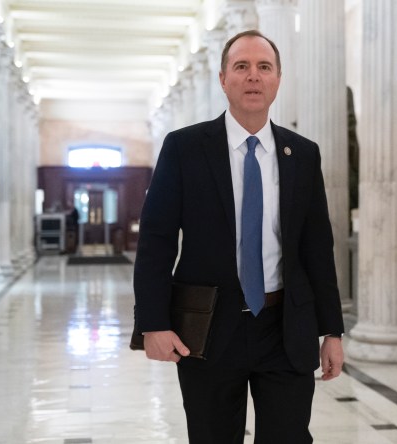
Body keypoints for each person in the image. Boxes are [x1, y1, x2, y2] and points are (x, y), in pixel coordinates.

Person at [133, 30, 345, 444]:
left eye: (264, 67)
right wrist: (152, 323)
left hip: (285, 327)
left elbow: (317, 246)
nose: (253, 76)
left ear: (278, 80)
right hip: (209, 327)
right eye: (242, 66)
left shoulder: (303, 154)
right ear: (223, 78)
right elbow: (156, 240)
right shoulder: (185, 147)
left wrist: (332, 330)